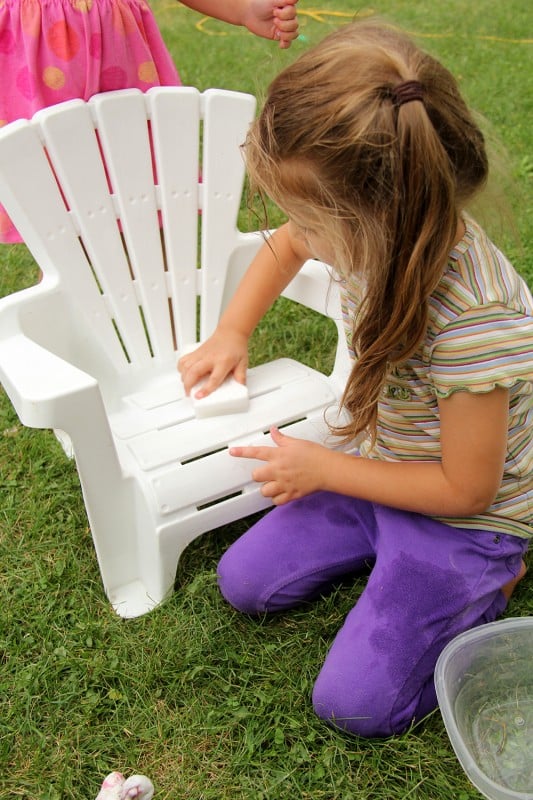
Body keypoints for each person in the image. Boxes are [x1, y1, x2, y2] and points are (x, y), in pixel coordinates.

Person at [178, 20, 533, 738]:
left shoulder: (472, 319)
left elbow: (466, 488)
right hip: (378, 466)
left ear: (376, 222)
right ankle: (380, 538)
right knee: (244, 584)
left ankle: (493, 578)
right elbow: (286, 245)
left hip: (465, 520)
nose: (293, 228)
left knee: (353, 705)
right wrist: (231, 331)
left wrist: (325, 469)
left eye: (308, 215)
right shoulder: (376, 222)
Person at [0, 0, 299, 244]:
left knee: (140, 196)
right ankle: (59, 310)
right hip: (29, 51)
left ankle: (164, 312)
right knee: (53, 218)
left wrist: (242, 9)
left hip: (117, 53)